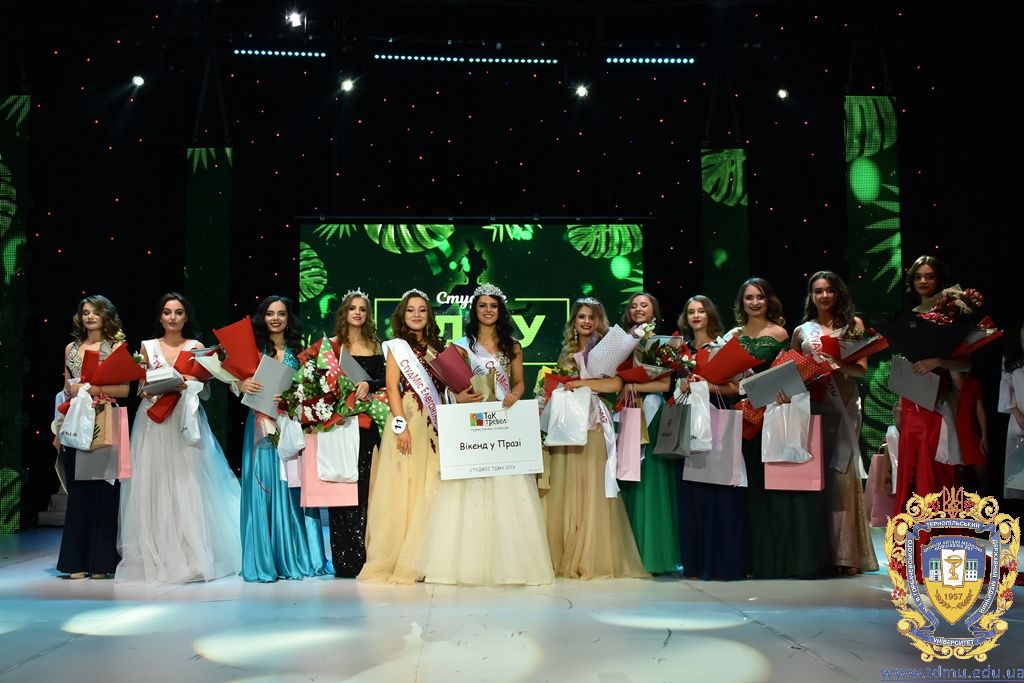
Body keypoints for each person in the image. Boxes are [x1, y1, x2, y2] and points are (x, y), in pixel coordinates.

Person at [416, 284, 553, 585]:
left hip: (503, 422)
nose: (488, 310)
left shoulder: (513, 346)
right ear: (474, 310)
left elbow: (519, 382)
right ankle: (467, 566)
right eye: (483, 305)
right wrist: (459, 398)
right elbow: (451, 387)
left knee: (507, 490)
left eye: (493, 306)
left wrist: (515, 393)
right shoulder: (461, 347)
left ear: (500, 311)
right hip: (473, 423)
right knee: (470, 488)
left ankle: (509, 566)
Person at [117, 293, 242, 582]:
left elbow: (206, 390)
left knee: (189, 484)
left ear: (186, 317)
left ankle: (193, 555)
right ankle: (159, 554)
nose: (172, 317)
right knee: (154, 485)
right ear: (160, 317)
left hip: (185, 418)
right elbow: (141, 389)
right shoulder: (147, 347)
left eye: (178, 312)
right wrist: (153, 387)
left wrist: (191, 383)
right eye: (167, 312)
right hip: (154, 420)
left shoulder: (195, 347)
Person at [539, 296, 647, 579]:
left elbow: (615, 384)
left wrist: (580, 383)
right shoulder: (567, 352)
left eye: (591, 317)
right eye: (581, 316)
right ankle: (564, 551)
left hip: (593, 422)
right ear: (574, 321)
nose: (586, 321)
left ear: (599, 320)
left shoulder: (608, 348)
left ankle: (591, 555)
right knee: (566, 485)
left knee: (592, 485)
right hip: (567, 424)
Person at [731, 277, 830, 579]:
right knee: (753, 490)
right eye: (749, 297)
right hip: (746, 417)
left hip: (773, 415)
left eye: (760, 297)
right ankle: (758, 560)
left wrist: (784, 390)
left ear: (768, 300)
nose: (755, 302)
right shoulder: (732, 336)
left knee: (778, 487)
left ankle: (783, 560)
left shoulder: (780, 333)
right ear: (742, 303)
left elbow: (789, 370)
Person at [791, 272, 878, 575]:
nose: (824, 296)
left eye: (829, 290)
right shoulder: (802, 331)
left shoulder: (853, 325)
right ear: (811, 296)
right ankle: (820, 555)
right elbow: (793, 370)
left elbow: (860, 370)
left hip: (844, 410)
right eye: (818, 291)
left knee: (842, 480)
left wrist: (835, 363)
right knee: (815, 482)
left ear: (838, 293)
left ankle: (847, 556)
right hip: (813, 410)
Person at [358, 289, 447, 584]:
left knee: (431, 483)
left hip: (435, 423)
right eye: (411, 310)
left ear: (429, 314)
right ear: (402, 315)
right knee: (407, 486)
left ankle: (429, 557)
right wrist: (400, 426)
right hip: (408, 417)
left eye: (422, 309)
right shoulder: (397, 348)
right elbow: (392, 388)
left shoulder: (438, 347)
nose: (416, 315)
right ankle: (406, 558)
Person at [239, 295, 327, 582]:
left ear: (289, 319)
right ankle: (265, 560)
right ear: (262, 318)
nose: (275, 318)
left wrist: (294, 396)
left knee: (293, 485)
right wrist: (241, 383)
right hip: (260, 426)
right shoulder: (253, 351)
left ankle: (298, 555)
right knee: (264, 486)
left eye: (281, 313)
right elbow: (235, 383)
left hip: (289, 425)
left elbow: (311, 389)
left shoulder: (300, 352)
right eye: (270, 313)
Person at [54, 295, 129, 579]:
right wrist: (59, 427)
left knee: (105, 492)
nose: (90, 316)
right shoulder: (71, 348)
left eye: (95, 311)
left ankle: (101, 562)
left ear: (106, 315)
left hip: (105, 419)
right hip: (76, 420)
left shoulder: (116, 348)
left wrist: (92, 389)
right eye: (85, 312)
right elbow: (66, 390)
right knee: (78, 493)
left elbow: (124, 390)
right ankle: (74, 561)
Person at [675, 294, 749, 580]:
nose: (696, 316)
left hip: (717, 422)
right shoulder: (679, 350)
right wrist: (683, 385)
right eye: (691, 311)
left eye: (701, 311)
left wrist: (707, 385)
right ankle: (694, 563)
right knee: (692, 493)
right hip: (689, 424)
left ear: (710, 315)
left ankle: (721, 562)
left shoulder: (722, 347)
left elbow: (737, 388)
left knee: (719, 490)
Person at [892, 256, 964, 514]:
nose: (923, 281)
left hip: (937, 403)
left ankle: (937, 532)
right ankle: (912, 534)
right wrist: (899, 402)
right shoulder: (907, 316)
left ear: (939, 280)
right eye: (918, 276)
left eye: (929, 276)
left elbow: (966, 363)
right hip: (910, 403)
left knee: (935, 470)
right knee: (910, 470)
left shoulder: (952, 315)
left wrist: (937, 361)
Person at [323, 289, 386, 578]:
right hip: (341, 426)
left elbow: (386, 379)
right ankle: (345, 558)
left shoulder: (376, 346)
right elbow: (322, 382)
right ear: (344, 313)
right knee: (342, 484)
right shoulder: (333, 346)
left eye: (362, 309)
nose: (357, 313)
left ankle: (367, 554)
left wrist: (369, 385)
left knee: (366, 485)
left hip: (369, 425)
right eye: (352, 308)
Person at [615, 292, 679, 574]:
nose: (638, 309)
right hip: (627, 411)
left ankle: (652, 554)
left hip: (650, 414)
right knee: (628, 477)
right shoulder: (619, 342)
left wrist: (634, 386)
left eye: (644, 305)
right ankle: (627, 554)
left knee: (650, 480)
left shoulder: (661, 343)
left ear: (654, 311)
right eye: (633, 305)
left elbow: (664, 386)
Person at [999, 319, 1024, 501]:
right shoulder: (1011, 360)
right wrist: (1018, 415)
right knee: (1018, 474)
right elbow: (1006, 388)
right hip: (1019, 421)